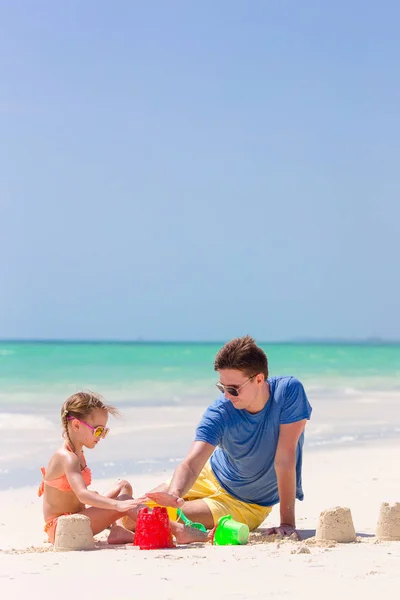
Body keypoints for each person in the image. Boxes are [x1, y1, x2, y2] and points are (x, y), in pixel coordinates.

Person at [147, 336, 312, 537]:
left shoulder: (288, 392)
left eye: (233, 389)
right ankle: (118, 504)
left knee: (154, 517)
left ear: (259, 379)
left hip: (245, 503)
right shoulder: (220, 411)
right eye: (222, 387)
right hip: (212, 474)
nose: (226, 396)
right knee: (140, 510)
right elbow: (192, 463)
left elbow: (285, 457)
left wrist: (287, 522)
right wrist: (174, 495)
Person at [38, 391, 209, 545]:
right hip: (63, 528)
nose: (101, 437)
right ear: (76, 425)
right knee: (122, 502)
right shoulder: (67, 457)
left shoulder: (77, 452)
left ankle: (118, 530)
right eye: (98, 431)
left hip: (76, 519)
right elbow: (82, 495)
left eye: (104, 431)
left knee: (123, 486)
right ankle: (179, 530)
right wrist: (117, 506)